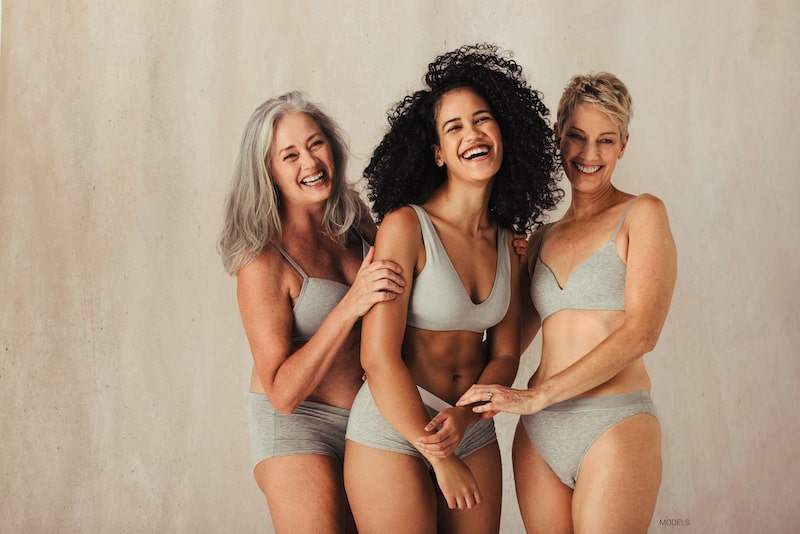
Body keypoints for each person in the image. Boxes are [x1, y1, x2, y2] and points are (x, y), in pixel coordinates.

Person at [343, 44, 562, 534]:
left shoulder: (508, 240)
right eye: (454, 126)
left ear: (503, 134)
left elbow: (505, 354)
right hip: (395, 425)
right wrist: (438, 456)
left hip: (471, 427)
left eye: (482, 120)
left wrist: (465, 421)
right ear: (438, 153)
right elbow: (377, 357)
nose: (472, 134)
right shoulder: (406, 228)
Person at [458, 72, 678, 533]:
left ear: (623, 144)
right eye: (576, 137)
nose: (589, 155)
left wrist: (537, 395)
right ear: (558, 136)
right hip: (538, 436)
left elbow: (642, 332)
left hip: (613, 422)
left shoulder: (643, 214)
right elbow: (508, 343)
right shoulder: (542, 238)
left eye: (605, 141)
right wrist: (403, 366)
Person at [217, 91, 406, 533]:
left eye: (315, 143)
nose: (310, 162)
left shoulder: (357, 225)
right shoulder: (262, 260)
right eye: (289, 155)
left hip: (371, 421)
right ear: (269, 172)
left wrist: (505, 252)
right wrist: (351, 304)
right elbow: (282, 393)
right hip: (298, 426)